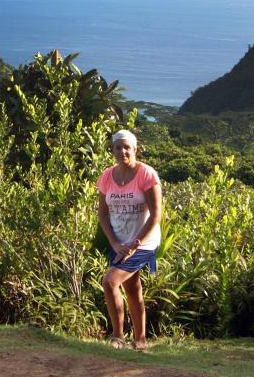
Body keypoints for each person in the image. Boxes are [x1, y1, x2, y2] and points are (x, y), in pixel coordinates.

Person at [97, 128, 163, 350]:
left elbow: (155, 215)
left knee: (110, 281)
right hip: (119, 241)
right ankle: (141, 341)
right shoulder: (107, 177)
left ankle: (118, 338)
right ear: (113, 150)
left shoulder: (147, 174)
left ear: (135, 149)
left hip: (143, 242)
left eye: (127, 147)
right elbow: (103, 214)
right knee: (132, 288)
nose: (122, 151)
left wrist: (135, 245)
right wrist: (115, 243)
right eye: (118, 147)